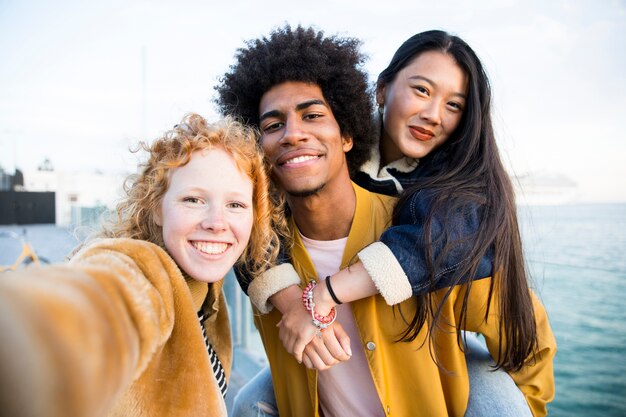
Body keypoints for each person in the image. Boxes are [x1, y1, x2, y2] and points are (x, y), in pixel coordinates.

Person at [216, 26, 556, 417]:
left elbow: (523, 334)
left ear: (345, 134)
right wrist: (292, 300)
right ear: (381, 92)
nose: (432, 114)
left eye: (454, 105)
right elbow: (244, 229)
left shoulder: (445, 200)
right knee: (248, 405)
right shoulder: (276, 203)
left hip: (435, 351)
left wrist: (321, 296)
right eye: (422, 90)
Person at [0, 114, 284, 417]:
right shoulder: (144, 271)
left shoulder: (208, 297)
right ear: (157, 209)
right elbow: (91, 309)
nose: (216, 222)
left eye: (236, 205)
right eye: (193, 200)